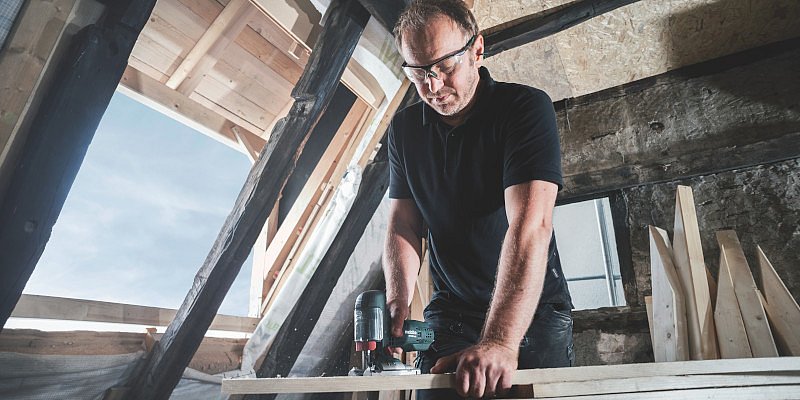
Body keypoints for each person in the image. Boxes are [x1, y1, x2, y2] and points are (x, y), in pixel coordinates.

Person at [383, 0, 574, 398]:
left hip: (531, 310)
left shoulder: (523, 109)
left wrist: (502, 342)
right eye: (418, 73)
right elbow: (404, 223)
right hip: (452, 310)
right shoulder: (404, 130)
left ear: (477, 50)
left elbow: (531, 226)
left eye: (445, 68)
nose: (432, 86)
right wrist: (398, 302)